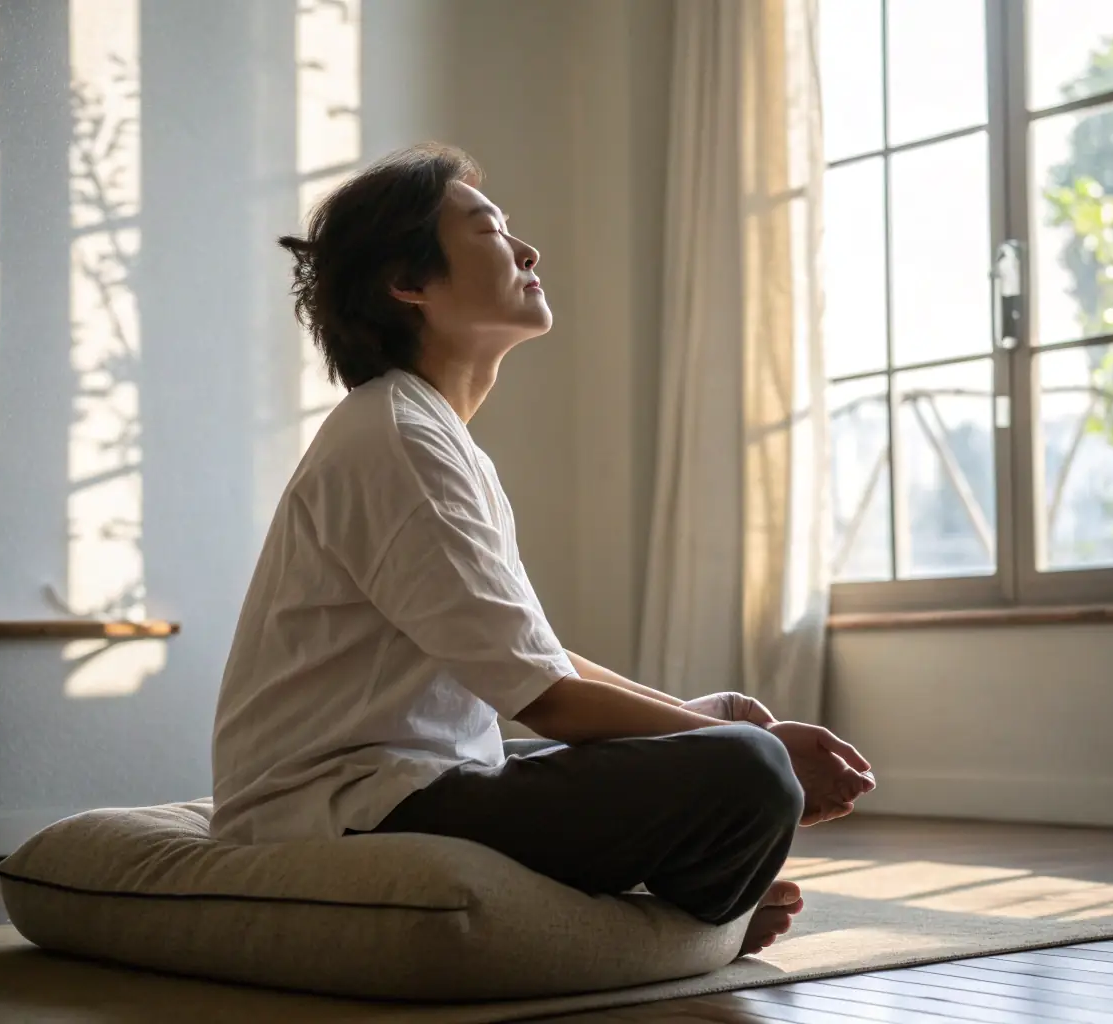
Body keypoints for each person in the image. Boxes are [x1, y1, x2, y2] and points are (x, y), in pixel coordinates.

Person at [210, 142, 876, 958]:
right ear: (407, 284)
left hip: (415, 782)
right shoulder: (396, 439)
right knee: (746, 772)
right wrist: (749, 751)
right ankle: (691, 916)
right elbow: (545, 696)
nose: (527, 252)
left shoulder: (428, 434)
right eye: (489, 228)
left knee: (731, 742)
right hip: (339, 811)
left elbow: (534, 655)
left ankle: (687, 897)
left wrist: (702, 717)